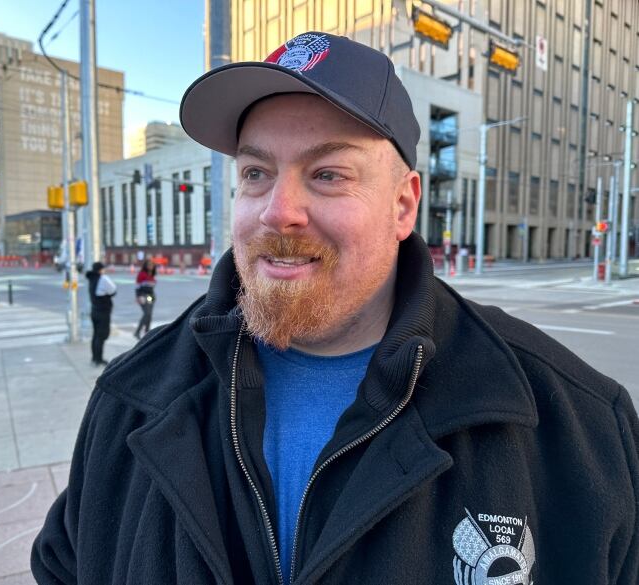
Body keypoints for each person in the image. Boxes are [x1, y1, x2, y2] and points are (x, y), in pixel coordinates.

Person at [32, 33, 639, 584]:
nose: (277, 210)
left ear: (404, 206)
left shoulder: (573, 423)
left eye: (326, 173)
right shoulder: (131, 401)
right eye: (255, 172)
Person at [84, 261, 116, 367]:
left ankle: (94, 357)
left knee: (96, 335)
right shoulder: (103, 278)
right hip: (103, 311)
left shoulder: (91, 279)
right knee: (101, 336)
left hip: (94, 310)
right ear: (100, 269)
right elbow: (113, 290)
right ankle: (99, 359)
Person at [133, 259, 156, 340]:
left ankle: (147, 332)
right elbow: (137, 287)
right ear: (145, 266)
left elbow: (151, 287)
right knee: (147, 313)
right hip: (143, 295)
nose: (151, 266)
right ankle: (137, 332)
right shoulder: (141, 274)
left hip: (151, 296)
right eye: (149, 265)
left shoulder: (152, 274)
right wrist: (138, 297)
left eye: (152, 265)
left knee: (149, 314)